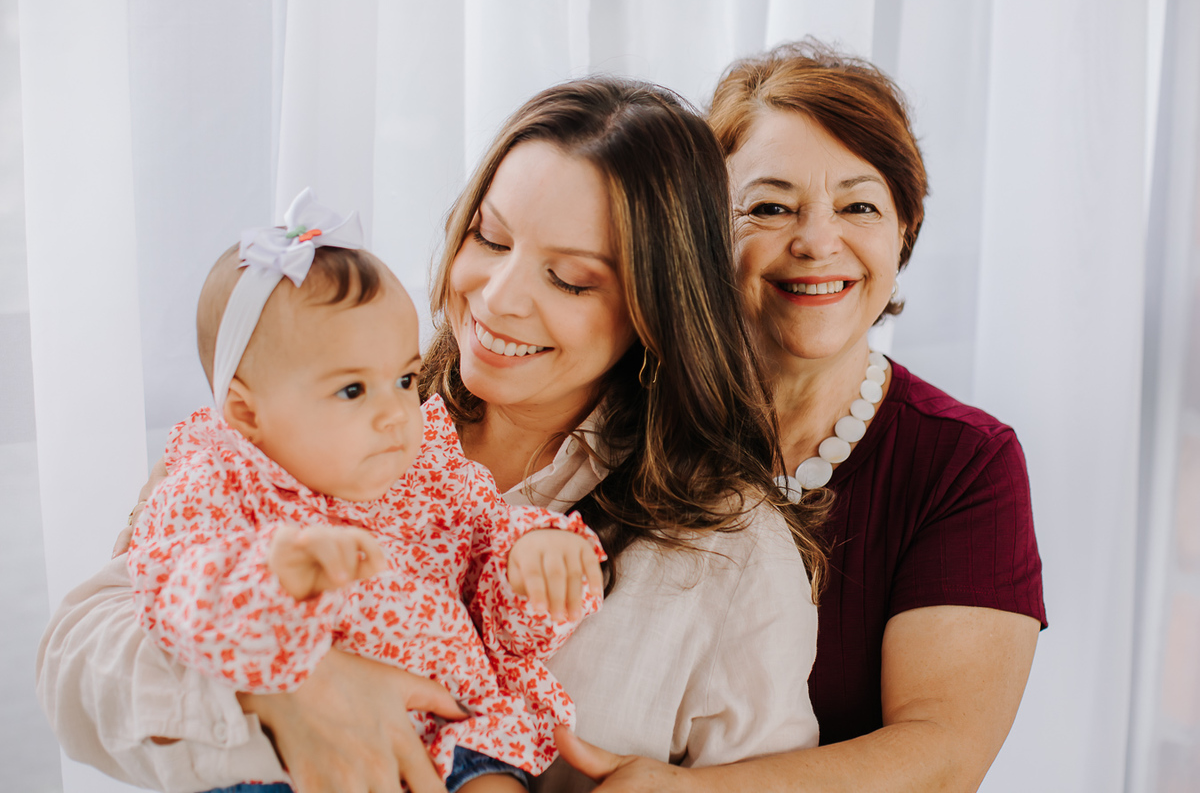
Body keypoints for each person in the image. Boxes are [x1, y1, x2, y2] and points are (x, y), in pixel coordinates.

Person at [36, 78, 824, 793]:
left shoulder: (730, 551)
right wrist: (282, 693)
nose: (499, 297)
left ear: (658, 309)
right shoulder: (295, 425)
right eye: (490, 238)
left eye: (570, 278)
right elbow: (77, 668)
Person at [553, 41, 1047, 792]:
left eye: (858, 206)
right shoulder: (608, 401)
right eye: (770, 207)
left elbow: (944, 756)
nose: (818, 241)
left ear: (905, 228)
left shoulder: (963, 463)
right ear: (704, 230)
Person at [127, 188, 610, 792]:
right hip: (290, 753)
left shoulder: (433, 472)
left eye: (404, 379)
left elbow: (498, 605)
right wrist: (273, 575)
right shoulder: (215, 481)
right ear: (248, 414)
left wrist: (531, 564)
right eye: (352, 390)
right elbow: (171, 595)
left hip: (454, 732)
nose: (395, 414)